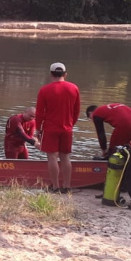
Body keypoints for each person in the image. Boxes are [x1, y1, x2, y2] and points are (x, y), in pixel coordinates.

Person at [35, 62, 81, 193]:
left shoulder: (44, 90)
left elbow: (39, 112)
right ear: (65, 74)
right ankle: (67, 186)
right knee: (66, 156)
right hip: (67, 128)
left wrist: (38, 129)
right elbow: (77, 110)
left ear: (51, 74)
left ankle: (55, 187)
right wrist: (71, 124)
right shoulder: (74, 88)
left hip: (50, 128)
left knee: (52, 157)